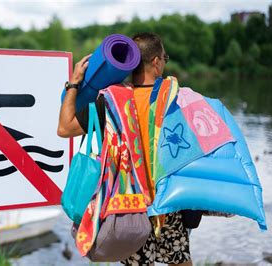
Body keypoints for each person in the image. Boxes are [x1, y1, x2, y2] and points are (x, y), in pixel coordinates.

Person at [58, 33, 192, 266]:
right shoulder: (175, 98)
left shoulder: (111, 101)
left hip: (128, 206)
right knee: (180, 261)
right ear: (157, 62)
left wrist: (74, 83)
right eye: (164, 58)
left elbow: (64, 128)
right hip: (166, 203)